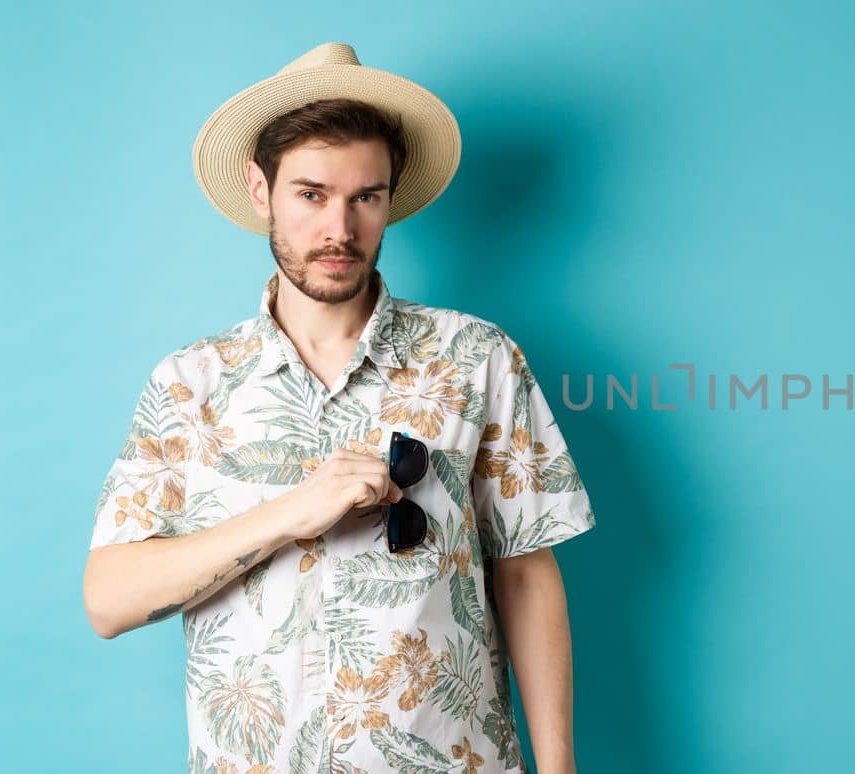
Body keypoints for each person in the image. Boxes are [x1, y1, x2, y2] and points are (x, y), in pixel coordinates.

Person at [81, 42, 594, 774]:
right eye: (312, 194)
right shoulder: (189, 383)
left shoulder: (477, 357)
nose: (339, 230)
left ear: (391, 197)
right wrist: (292, 512)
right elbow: (109, 601)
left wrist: (561, 769)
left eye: (366, 197)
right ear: (262, 191)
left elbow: (526, 572)